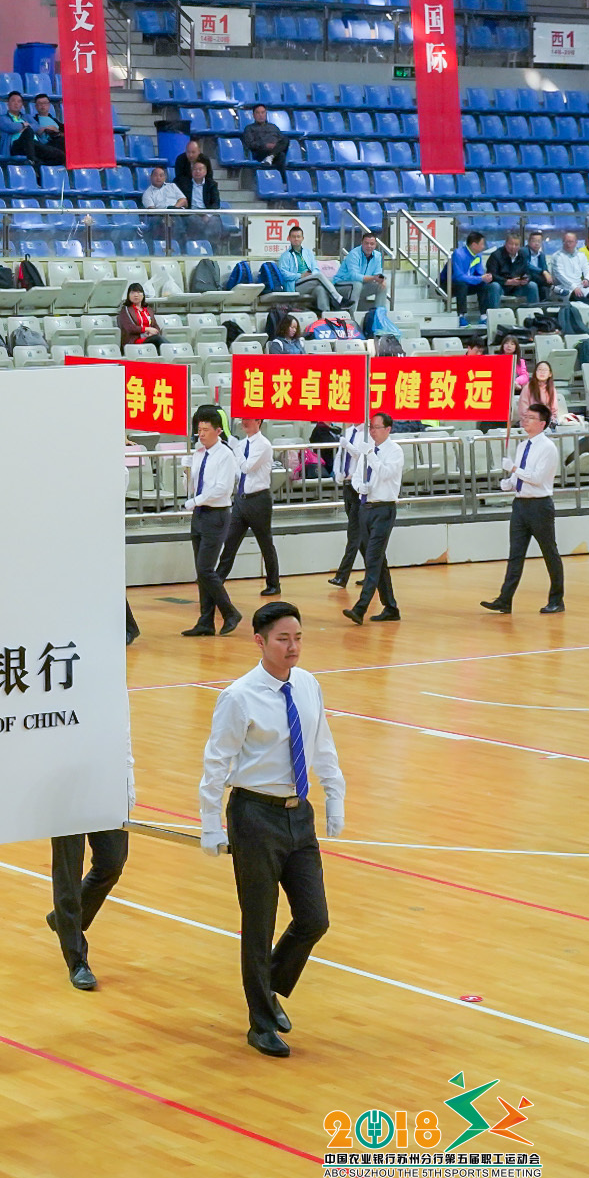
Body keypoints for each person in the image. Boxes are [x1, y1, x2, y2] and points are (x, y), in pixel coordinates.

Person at [198, 601, 345, 1057]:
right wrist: (211, 824)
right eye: (283, 639)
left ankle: (270, 985)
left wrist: (334, 795)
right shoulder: (238, 697)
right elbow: (216, 763)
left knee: (314, 918)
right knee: (259, 924)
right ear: (260, 641)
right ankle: (260, 1023)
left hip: (299, 814)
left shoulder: (308, 684)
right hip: (255, 816)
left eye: (297, 638)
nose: (293, 647)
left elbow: (322, 744)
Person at [47, 753, 135, 990]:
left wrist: (128, 782)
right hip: (64, 786)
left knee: (112, 862)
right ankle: (77, 961)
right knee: (68, 874)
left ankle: (63, 921)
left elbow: (122, 742)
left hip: (105, 785)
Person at [482, 402, 565, 615]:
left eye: (530, 418)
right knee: (515, 554)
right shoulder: (522, 446)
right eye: (525, 417)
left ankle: (557, 600)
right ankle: (505, 600)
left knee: (549, 552)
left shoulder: (548, 448)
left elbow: (537, 478)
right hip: (520, 505)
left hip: (539, 505)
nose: (525, 421)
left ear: (542, 423)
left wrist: (513, 469)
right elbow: (520, 475)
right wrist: (509, 483)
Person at [183, 405, 242, 636]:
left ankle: (230, 612)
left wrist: (196, 500)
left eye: (206, 430)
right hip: (199, 514)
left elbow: (221, 489)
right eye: (199, 430)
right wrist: (186, 473)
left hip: (216, 514)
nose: (201, 434)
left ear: (218, 431)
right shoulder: (198, 454)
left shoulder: (225, 455)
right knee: (201, 572)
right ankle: (206, 621)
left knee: (206, 568)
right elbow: (191, 487)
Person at [342, 412, 403, 624]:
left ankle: (360, 608)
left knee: (373, 558)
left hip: (384, 509)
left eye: (376, 427)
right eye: (371, 427)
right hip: (365, 508)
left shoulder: (395, 451)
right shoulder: (367, 450)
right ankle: (391, 607)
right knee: (377, 559)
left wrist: (371, 455)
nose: (372, 431)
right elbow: (357, 476)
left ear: (388, 429)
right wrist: (360, 487)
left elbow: (386, 473)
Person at [219, 416, 282, 598]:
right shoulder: (243, 444)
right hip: (241, 499)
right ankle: (216, 580)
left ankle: (273, 584)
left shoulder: (263, 445)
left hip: (258, 500)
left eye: (248, 419)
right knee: (230, 542)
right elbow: (239, 472)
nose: (244, 422)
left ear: (258, 421)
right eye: (243, 419)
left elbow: (247, 467)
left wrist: (235, 449)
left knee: (265, 543)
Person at [325, 421, 370, 588]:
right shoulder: (349, 431)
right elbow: (340, 455)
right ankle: (374, 573)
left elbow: (361, 456)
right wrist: (337, 471)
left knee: (354, 532)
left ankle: (342, 575)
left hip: (358, 485)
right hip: (347, 485)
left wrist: (348, 446)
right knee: (360, 535)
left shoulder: (367, 433)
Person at [0, 90, 58, 172]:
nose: (16, 103)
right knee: (28, 131)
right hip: (17, 146)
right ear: (8, 104)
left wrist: (22, 129)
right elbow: (10, 127)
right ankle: (32, 160)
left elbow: (36, 126)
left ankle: (39, 167)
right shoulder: (2, 118)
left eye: (19, 101)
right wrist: (23, 125)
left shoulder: (27, 117)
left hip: (33, 144)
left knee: (60, 156)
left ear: (22, 105)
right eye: (13, 101)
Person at [512, 358, 572, 427]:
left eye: (545, 370)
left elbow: (553, 411)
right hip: (529, 424)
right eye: (540, 370)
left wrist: (548, 421)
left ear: (550, 374)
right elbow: (523, 410)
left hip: (547, 424)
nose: (542, 372)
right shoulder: (528, 388)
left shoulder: (552, 389)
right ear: (535, 373)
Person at [484, 230, 538, 305]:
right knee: (494, 286)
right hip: (501, 286)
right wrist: (508, 281)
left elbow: (528, 272)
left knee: (532, 285)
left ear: (520, 246)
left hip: (517, 287)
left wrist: (526, 279)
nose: (513, 247)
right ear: (505, 244)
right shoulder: (496, 255)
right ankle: (494, 311)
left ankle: (534, 310)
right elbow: (491, 275)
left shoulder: (523, 255)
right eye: (511, 244)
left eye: (516, 245)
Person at [450, 230, 494, 319]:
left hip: (467, 283)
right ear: (474, 245)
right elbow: (458, 276)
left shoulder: (478, 255)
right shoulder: (458, 254)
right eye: (482, 244)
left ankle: (484, 316)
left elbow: (479, 273)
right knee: (461, 285)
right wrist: (480, 278)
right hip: (450, 284)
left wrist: (485, 277)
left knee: (483, 284)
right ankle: (461, 316)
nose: (483, 247)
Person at [240, 103, 290, 171]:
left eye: (263, 112)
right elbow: (250, 144)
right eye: (258, 113)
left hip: (276, 152)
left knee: (285, 140)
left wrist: (275, 145)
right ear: (253, 115)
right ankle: (282, 177)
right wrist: (265, 145)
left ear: (266, 114)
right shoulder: (249, 128)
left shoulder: (273, 127)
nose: (260, 115)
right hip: (261, 153)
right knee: (281, 156)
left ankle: (271, 157)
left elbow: (281, 140)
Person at [117, 282, 164, 349]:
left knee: (158, 340)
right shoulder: (125, 310)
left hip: (149, 337)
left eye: (139, 292)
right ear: (128, 296)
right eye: (132, 293)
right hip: (134, 340)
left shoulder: (148, 310)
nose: (136, 295)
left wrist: (153, 332)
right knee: (158, 339)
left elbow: (155, 325)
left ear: (143, 295)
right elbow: (129, 328)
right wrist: (146, 329)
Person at [272, 226, 317, 295]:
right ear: (289, 238)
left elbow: (316, 269)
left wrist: (311, 275)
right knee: (320, 278)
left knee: (320, 289)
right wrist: (300, 276)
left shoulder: (308, 252)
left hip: (310, 280)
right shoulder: (285, 255)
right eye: (293, 237)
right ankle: (334, 294)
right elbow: (284, 274)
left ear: (302, 238)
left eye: (298, 236)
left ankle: (333, 299)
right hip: (296, 284)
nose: (296, 239)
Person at [29, 92, 66, 166]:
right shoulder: (34, 120)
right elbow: (33, 130)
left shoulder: (54, 120)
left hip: (58, 142)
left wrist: (57, 131)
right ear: (36, 106)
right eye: (40, 103)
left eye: (45, 103)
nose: (43, 106)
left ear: (49, 105)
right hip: (46, 145)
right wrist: (46, 128)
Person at [522, 229, 552, 298]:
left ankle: (545, 304)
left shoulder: (541, 255)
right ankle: (554, 288)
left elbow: (545, 268)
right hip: (527, 276)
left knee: (544, 288)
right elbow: (526, 265)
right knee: (537, 278)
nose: (537, 243)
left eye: (539, 241)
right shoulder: (523, 251)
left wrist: (547, 274)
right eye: (534, 241)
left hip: (538, 279)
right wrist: (542, 272)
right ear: (529, 242)